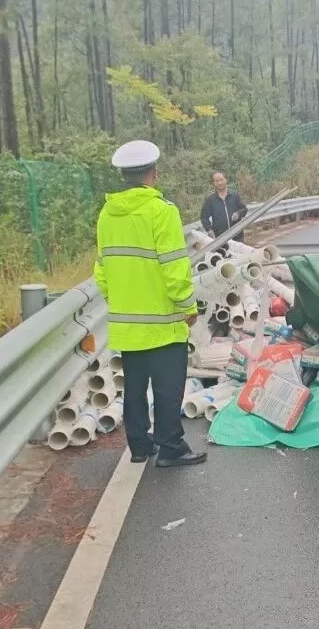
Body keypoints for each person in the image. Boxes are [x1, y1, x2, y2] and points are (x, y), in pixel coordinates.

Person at [93, 140, 206, 468]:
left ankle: (140, 446)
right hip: (163, 324)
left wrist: (119, 300)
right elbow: (174, 266)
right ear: (153, 174)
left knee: (135, 387)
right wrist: (187, 306)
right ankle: (171, 447)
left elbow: (102, 269)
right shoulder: (162, 211)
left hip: (128, 325)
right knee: (168, 388)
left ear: (123, 175)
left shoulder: (107, 214)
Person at [200, 171, 249, 243]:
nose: (219, 183)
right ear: (213, 183)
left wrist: (238, 214)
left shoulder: (234, 195)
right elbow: (204, 217)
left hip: (237, 236)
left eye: (221, 180)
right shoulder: (210, 200)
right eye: (217, 181)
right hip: (220, 239)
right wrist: (209, 230)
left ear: (226, 180)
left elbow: (244, 209)